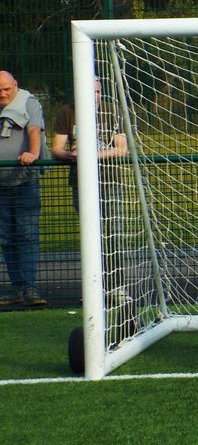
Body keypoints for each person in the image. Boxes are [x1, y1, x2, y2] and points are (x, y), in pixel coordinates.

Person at [0, 71, 46, 308]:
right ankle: (16, 287)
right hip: (0, 185)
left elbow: (33, 130)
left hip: (24, 181)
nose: (3, 94)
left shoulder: (30, 103)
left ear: (15, 84)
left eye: (7, 89)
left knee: (26, 234)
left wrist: (33, 154)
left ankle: (29, 287)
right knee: (6, 238)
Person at [50, 79, 128, 211]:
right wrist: (72, 155)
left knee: (114, 227)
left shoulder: (111, 110)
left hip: (109, 179)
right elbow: (57, 149)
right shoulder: (67, 112)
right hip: (80, 179)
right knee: (86, 220)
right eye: (90, 92)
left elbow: (122, 149)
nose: (95, 96)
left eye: (98, 92)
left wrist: (90, 155)